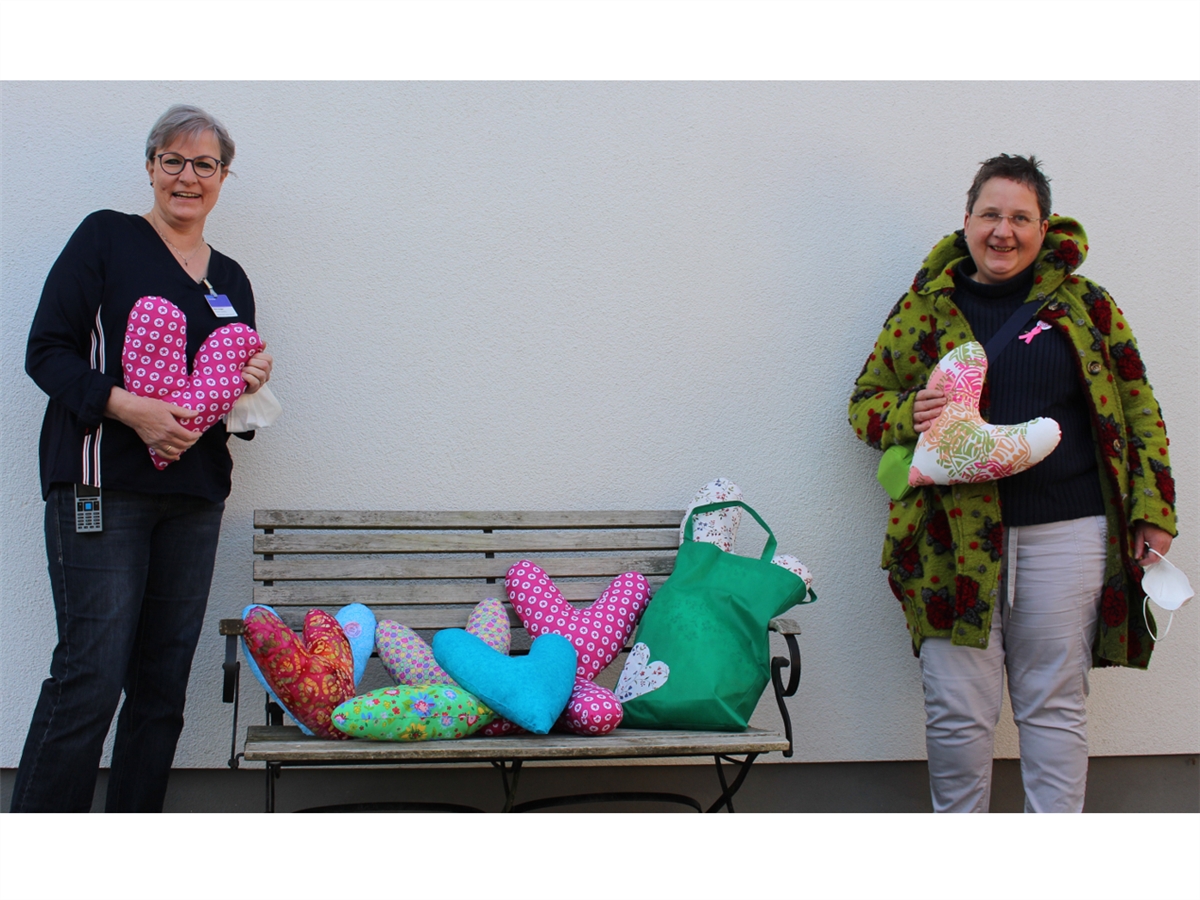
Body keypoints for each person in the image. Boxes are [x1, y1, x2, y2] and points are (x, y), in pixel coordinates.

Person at [847, 154, 1177, 813]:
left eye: (1020, 217)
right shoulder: (923, 308)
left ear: (1044, 226)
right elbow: (864, 403)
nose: (1004, 231)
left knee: (1054, 704)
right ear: (966, 221)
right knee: (956, 712)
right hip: (951, 541)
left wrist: (1153, 510)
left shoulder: (1087, 308)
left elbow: (1138, 407)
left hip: (1068, 533)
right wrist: (908, 410)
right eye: (991, 214)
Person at [12, 105, 273, 812]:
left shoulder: (232, 279)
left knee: (161, 688)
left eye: (205, 165)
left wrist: (248, 391)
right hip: (101, 488)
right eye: (173, 161)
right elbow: (46, 353)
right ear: (151, 165)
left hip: (193, 499)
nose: (187, 178)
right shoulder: (106, 239)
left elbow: (232, 417)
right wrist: (132, 409)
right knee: (90, 678)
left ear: (224, 177)